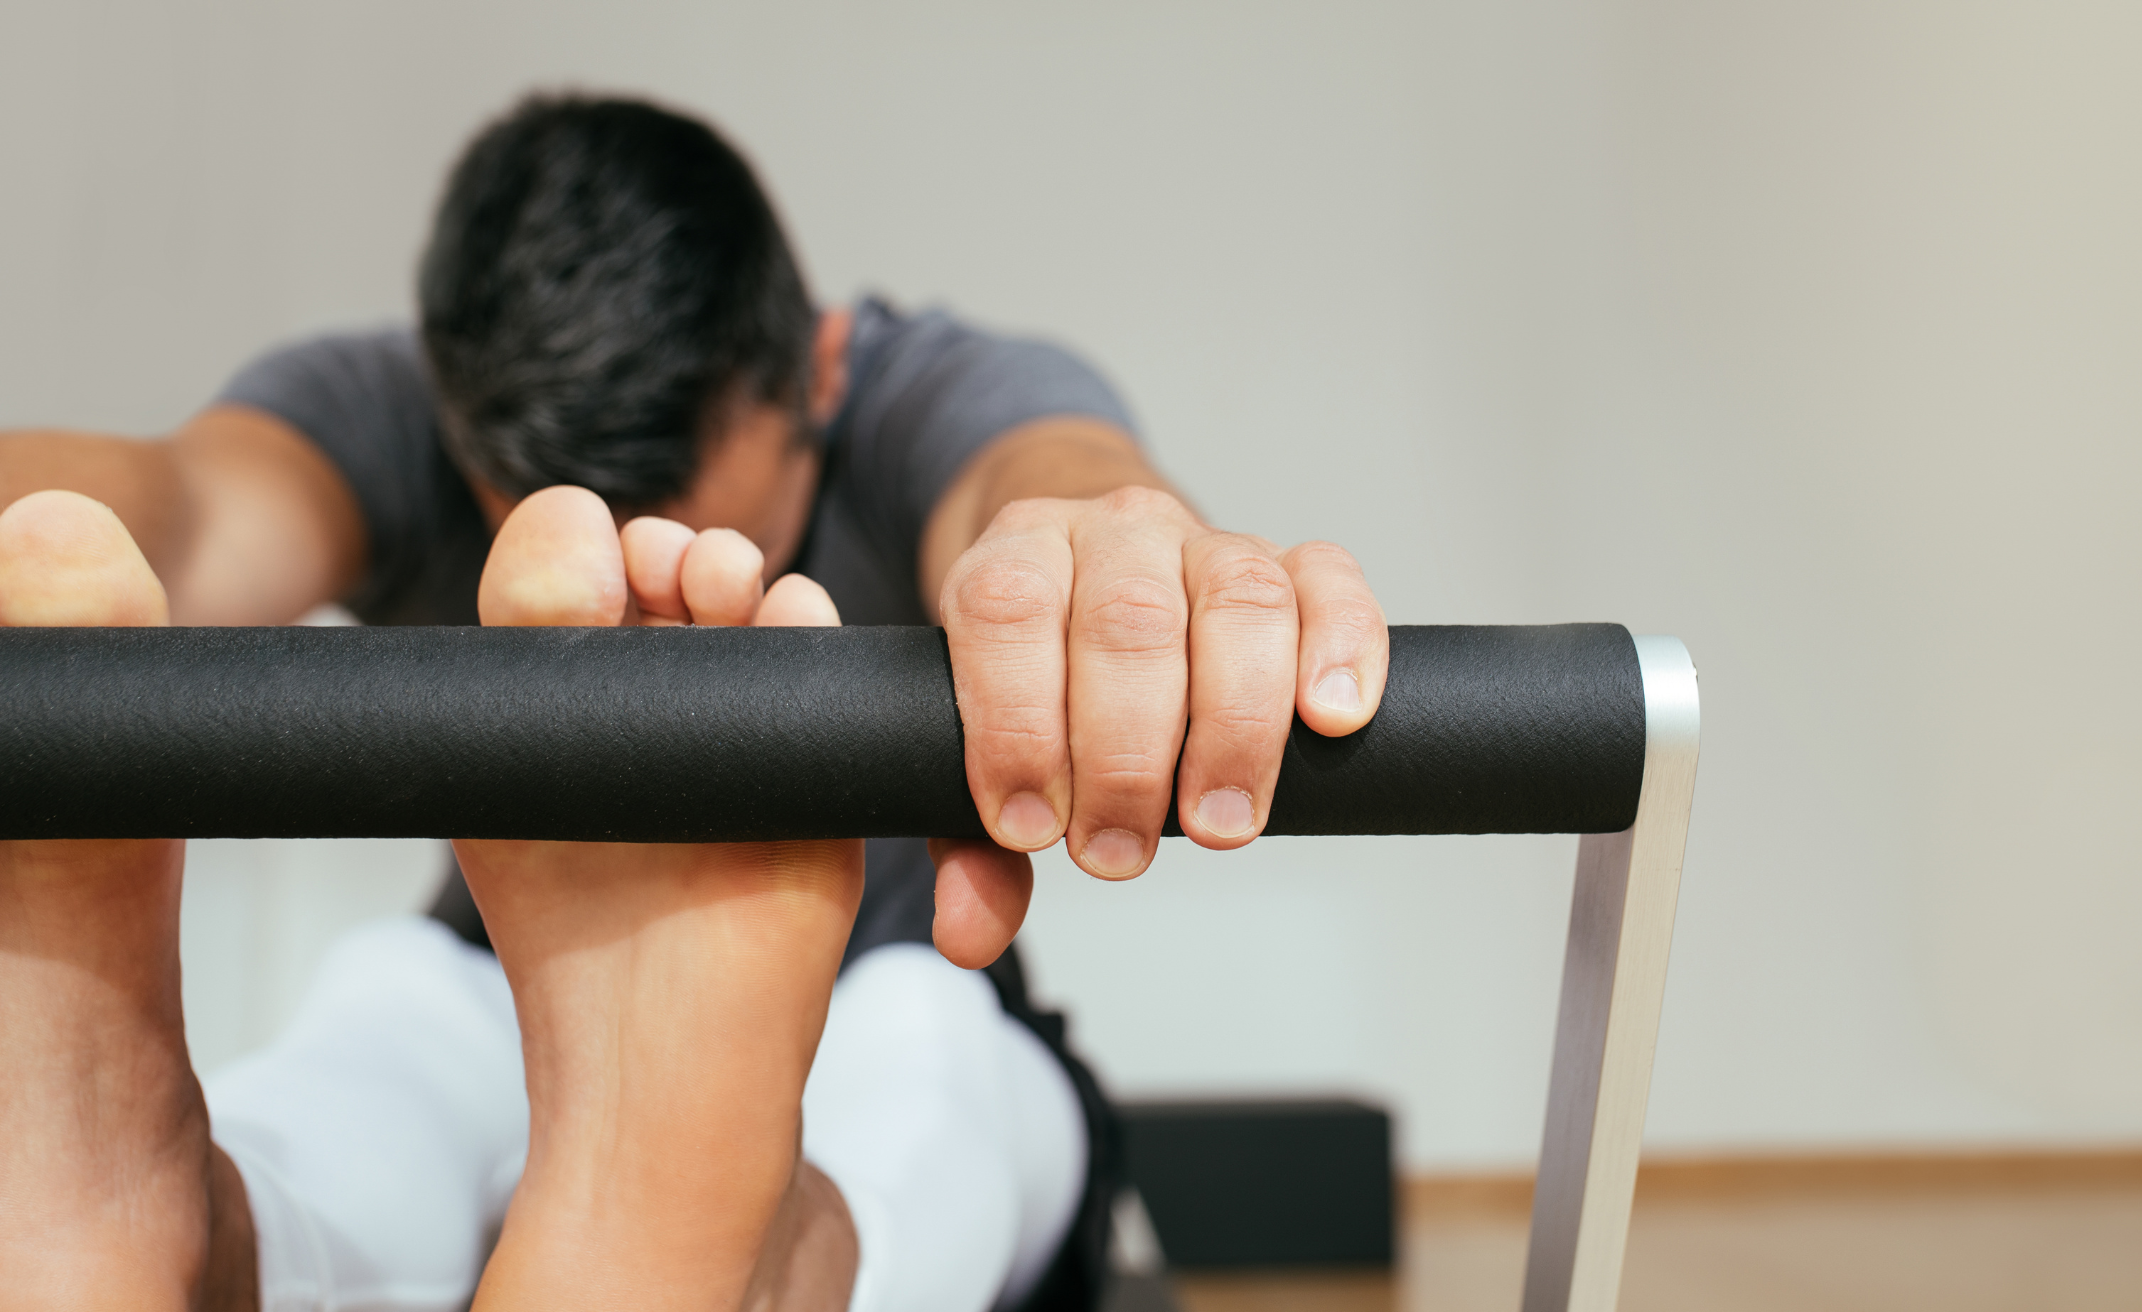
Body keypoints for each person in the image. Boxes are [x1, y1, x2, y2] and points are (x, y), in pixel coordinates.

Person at [0, 94, 1389, 1312]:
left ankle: (754, 1235)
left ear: (825, 370)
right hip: (508, 984)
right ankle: (189, 1225)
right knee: (391, 1032)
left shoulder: (922, 392)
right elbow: (180, 519)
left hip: (895, 977)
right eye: (555, 529)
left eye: (710, 543)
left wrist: (1100, 564)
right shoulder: (398, 407)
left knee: (929, 1053)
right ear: (455, 418)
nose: (640, 617)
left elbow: (1049, 468)